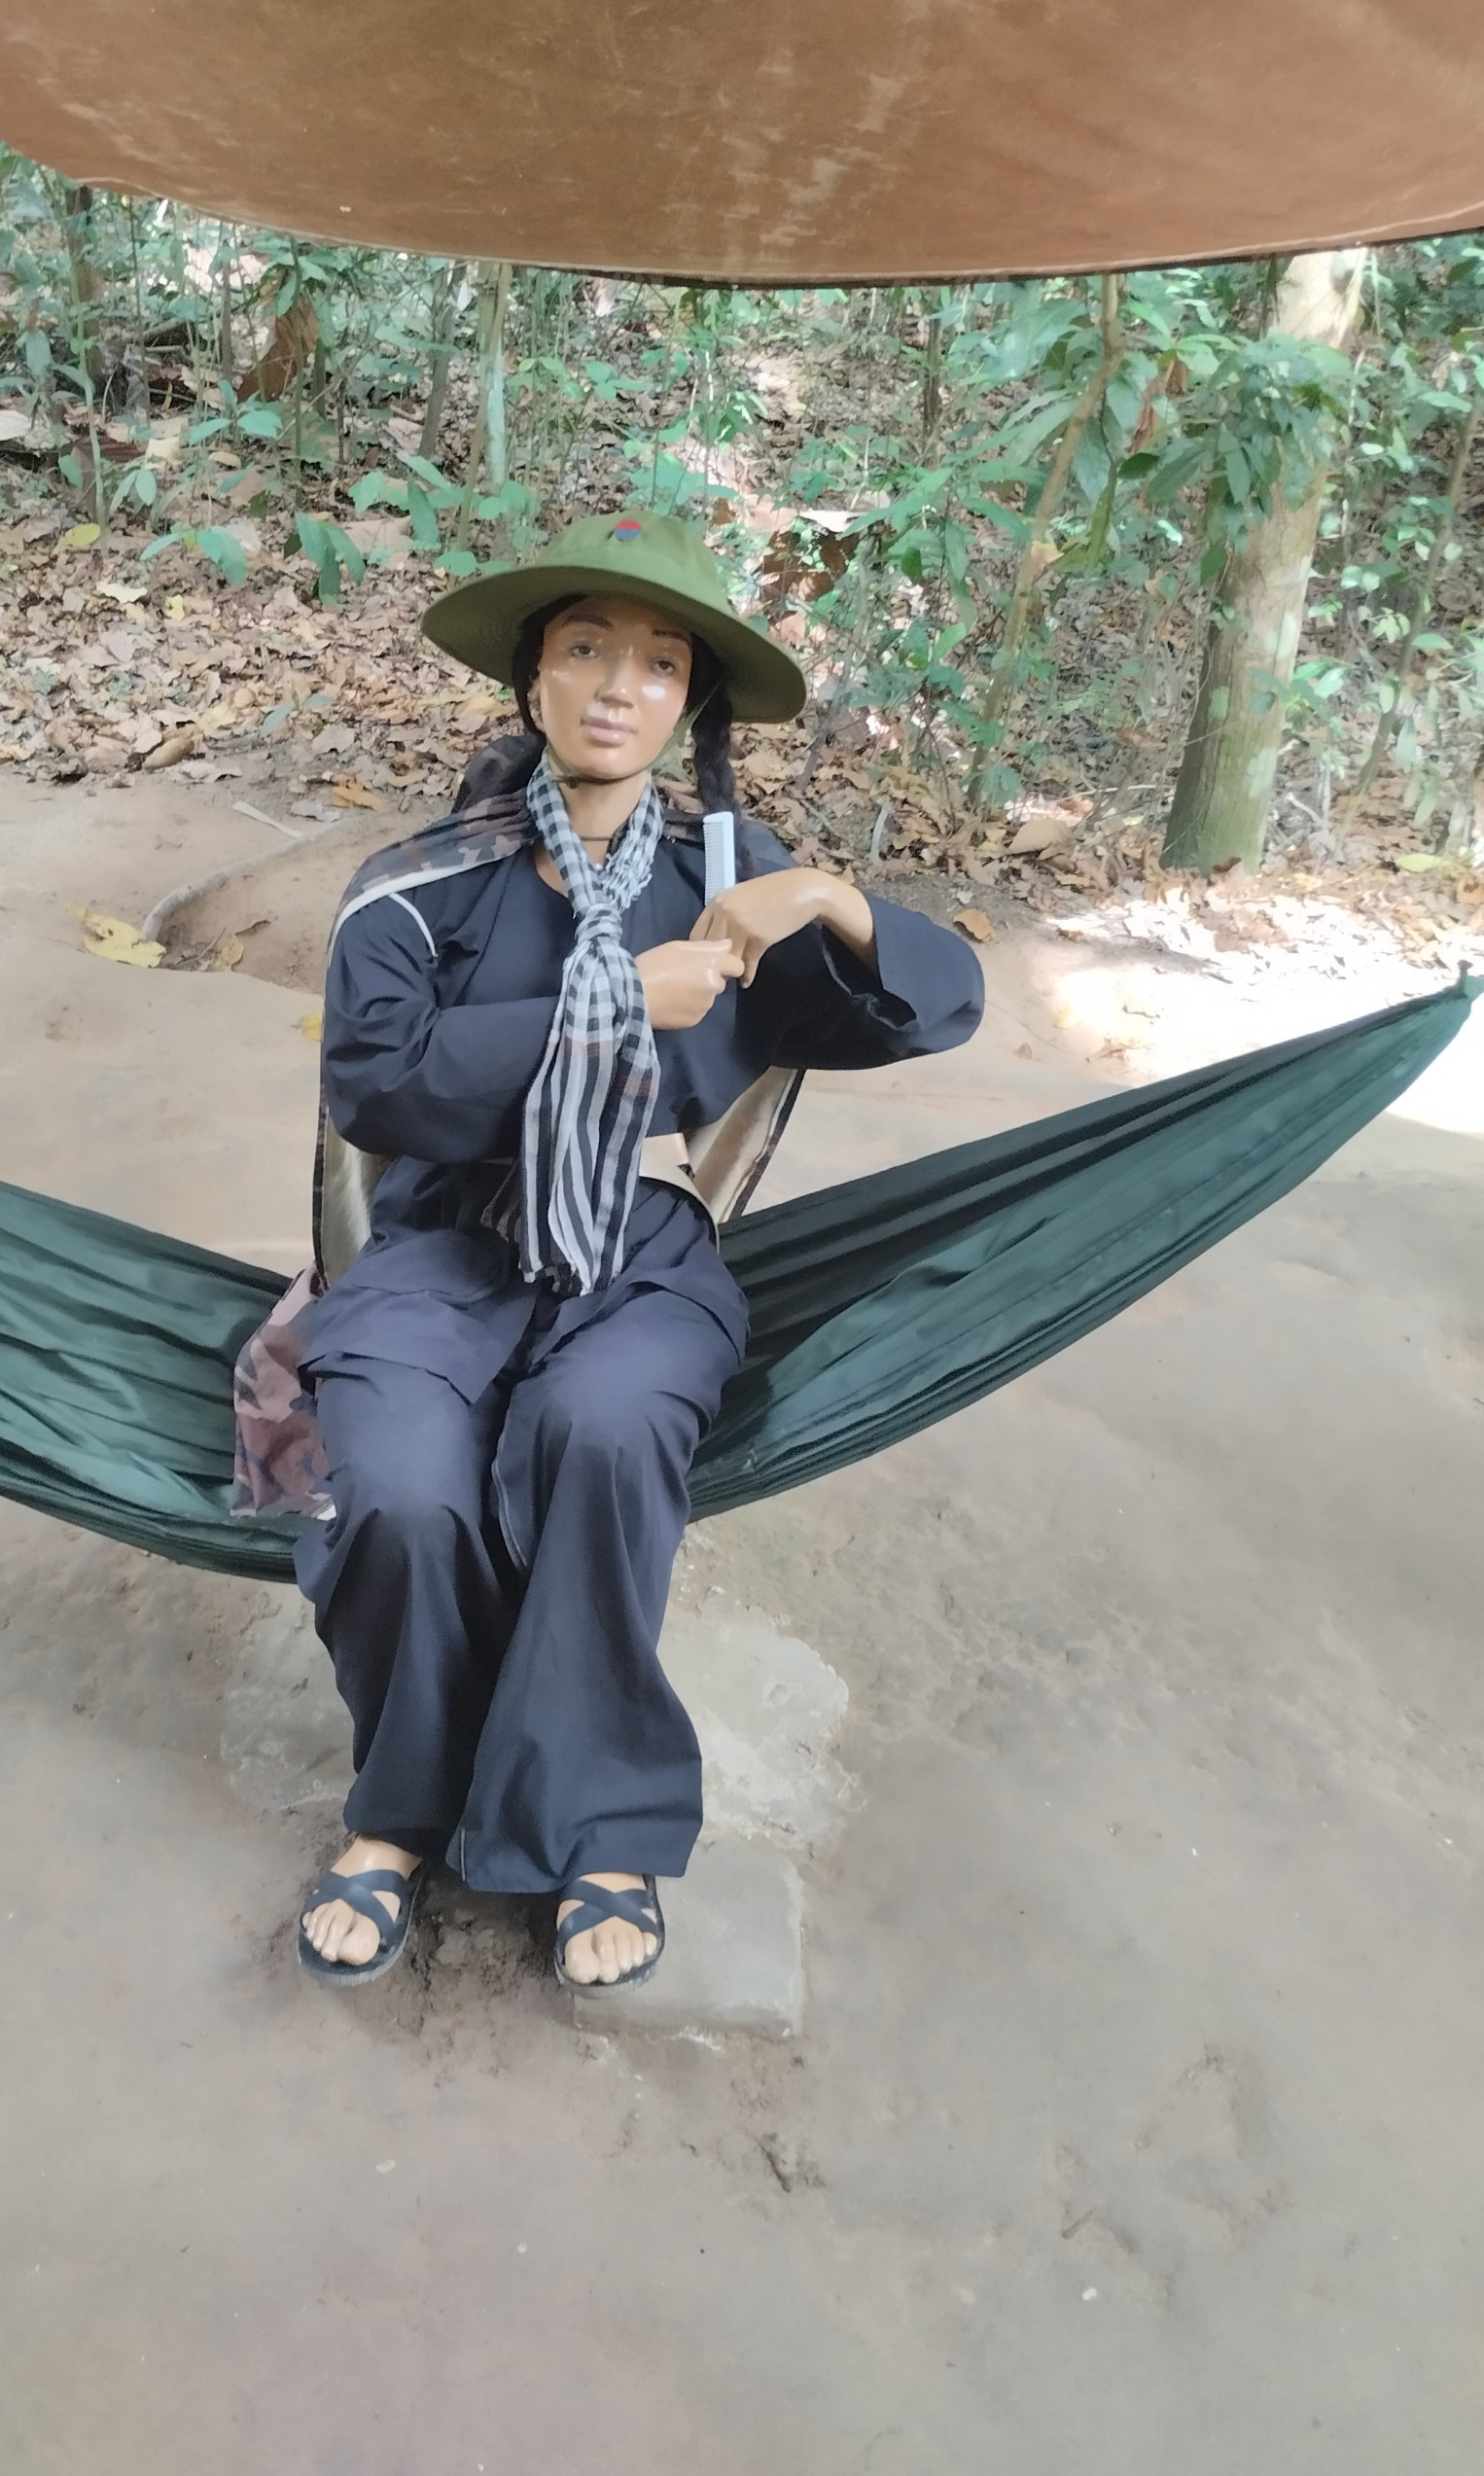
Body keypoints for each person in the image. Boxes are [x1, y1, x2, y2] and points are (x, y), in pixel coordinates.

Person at [290, 511, 984, 1993]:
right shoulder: (421, 884)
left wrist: (827, 899)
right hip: (441, 1249)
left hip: (644, 1248)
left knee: (599, 1434)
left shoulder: (730, 882)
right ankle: (404, 1809)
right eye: (587, 649)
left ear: (690, 707)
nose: (619, 684)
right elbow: (377, 1081)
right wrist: (609, 1001)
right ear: (532, 680)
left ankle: (600, 1819)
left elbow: (935, 1009)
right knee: (401, 1493)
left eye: (659, 663)